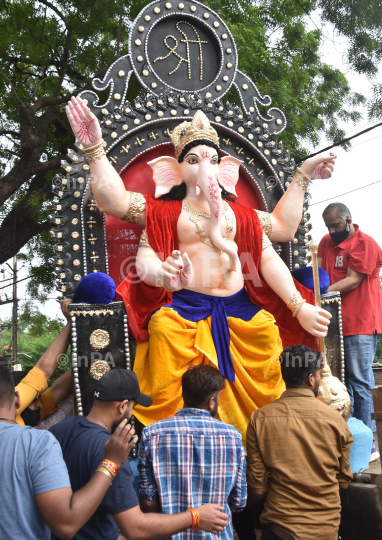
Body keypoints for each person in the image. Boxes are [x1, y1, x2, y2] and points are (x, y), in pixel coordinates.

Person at [66, 97, 333, 442]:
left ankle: (263, 435)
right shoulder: (164, 213)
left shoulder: (243, 217)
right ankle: (174, 437)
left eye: (211, 158)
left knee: (267, 330)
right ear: (173, 170)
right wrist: (95, 149)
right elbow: (116, 208)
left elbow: (276, 242)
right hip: (185, 306)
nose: (204, 165)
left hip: (240, 307)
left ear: (225, 170)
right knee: (163, 328)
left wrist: (298, 305)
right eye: (193, 159)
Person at [50, 368, 228, 540]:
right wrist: (195, 517)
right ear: (123, 406)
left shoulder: (60, 429)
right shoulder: (111, 453)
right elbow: (134, 528)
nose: (131, 413)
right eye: (133, 406)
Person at [0, 364, 138, 540]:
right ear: (18, 399)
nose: (39, 404)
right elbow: (66, 524)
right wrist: (111, 462)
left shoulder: (59, 429)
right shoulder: (34, 443)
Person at [246, 345, 353, 540]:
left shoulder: (258, 419)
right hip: (326, 529)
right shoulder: (337, 421)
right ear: (311, 379)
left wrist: (237, 509)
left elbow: (258, 488)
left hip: (279, 530)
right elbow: (343, 481)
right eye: (319, 374)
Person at [138, 364, 246, 540]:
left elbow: (148, 502)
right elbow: (238, 502)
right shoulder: (233, 437)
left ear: (184, 394)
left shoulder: (152, 434)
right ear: (212, 401)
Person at [318, 202, 382, 461]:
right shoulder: (325, 241)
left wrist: (320, 292)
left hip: (361, 322)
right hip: (334, 322)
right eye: (328, 227)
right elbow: (318, 269)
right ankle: (349, 438)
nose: (332, 231)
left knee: (360, 381)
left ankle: (367, 444)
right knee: (338, 383)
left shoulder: (365, 243)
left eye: (335, 225)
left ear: (348, 220)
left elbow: (354, 279)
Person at [14, 298, 72, 426]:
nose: (40, 404)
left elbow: (60, 388)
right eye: (34, 400)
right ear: (17, 399)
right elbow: (44, 369)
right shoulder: (11, 413)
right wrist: (71, 321)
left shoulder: (27, 415)